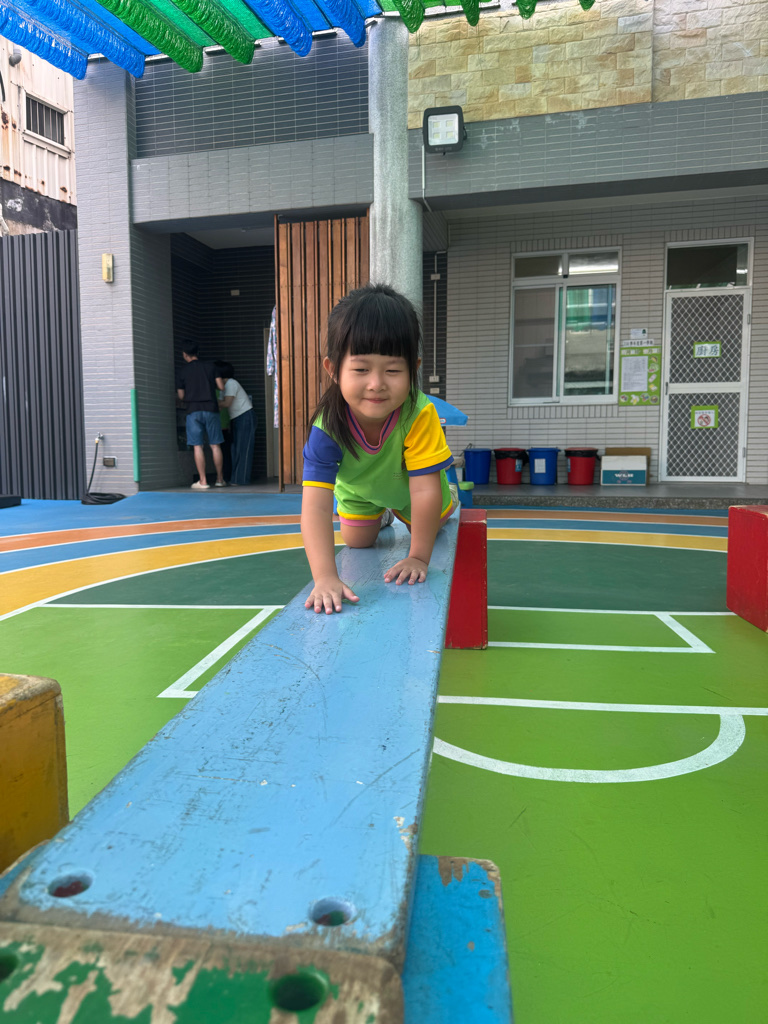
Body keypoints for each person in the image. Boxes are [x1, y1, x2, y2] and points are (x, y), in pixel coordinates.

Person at [301, 283, 456, 615]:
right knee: (357, 542)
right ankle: (383, 513)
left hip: (413, 490)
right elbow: (315, 507)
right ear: (333, 369)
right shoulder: (326, 429)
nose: (376, 384)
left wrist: (418, 556)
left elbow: (424, 490)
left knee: (434, 522)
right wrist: (325, 577)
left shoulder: (419, 414)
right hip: (359, 491)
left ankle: (439, 500)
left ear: (413, 369)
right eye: (361, 369)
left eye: (393, 370)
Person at [175, 342, 226, 490]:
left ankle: (203, 481)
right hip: (211, 408)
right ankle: (220, 479)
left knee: (198, 446)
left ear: (185, 355)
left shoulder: (182, 371)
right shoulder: (211, 367)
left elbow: (181, 395)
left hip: (193, 410)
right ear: (197, 352)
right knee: (215, 445)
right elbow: (221, 386)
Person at [217, 363, 256, 486]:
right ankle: (237, 478)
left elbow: (226, 403)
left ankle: (241, 479)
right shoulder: (224, 386)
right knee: (237, 449)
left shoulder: (231, 383)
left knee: (243, 449)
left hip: (245, 416)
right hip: (237, 418)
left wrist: (211, 403)